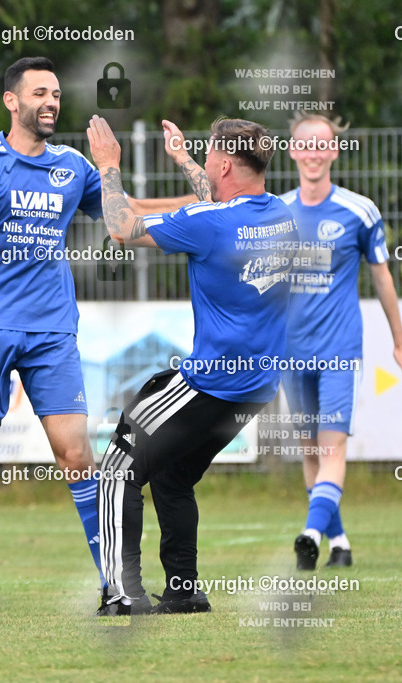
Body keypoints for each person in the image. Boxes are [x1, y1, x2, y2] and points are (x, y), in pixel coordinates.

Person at [0, 57, 189, 614]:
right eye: (39, 93)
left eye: (55, 94)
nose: (51, 102)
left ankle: (116, 589)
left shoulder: (72, 166)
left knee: (77, 456)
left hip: (52, 329)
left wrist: (197, 204)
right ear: (12, 101)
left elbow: (127, 217)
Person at [86, 115, 298, 615]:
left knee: (117, 470)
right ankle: (183, 592)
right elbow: (218, 197)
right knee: (173, 477)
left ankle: (121, 594)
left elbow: (121, 228)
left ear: (224, 163)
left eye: (208, 157)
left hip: (210, 384)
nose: (205, 162)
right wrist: (183, 159)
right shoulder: (280, 216)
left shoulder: (209, 223)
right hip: (256, 390)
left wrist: (109, 167)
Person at [280, 113, 402, 571]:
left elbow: (382, 278)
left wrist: (400, 344)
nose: (315, 153)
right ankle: (338, 541)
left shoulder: (360, 211)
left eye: (324, 145)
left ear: (335, 151)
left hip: (340, 349)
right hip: (290, 352)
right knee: (309, 450)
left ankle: (310, 533)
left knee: (331, 447)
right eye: (306, 145)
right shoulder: (276, 213)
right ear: (294, 152)